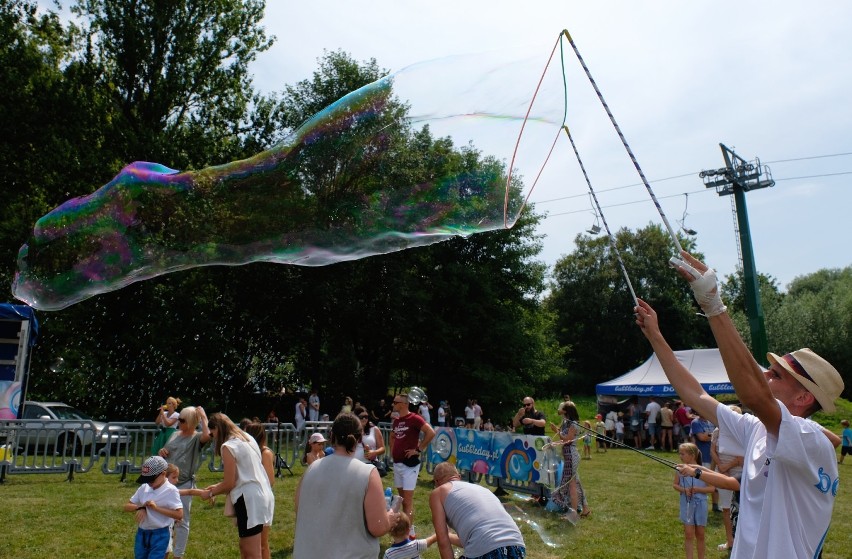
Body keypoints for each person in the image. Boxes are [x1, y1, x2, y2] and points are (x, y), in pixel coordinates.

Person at [636, 251, 845, 559]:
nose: (765, 376)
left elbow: (754, 395)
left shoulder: (810, 440)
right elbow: (696, 396)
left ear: (803, 398)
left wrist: (713, 305)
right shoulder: (759, 429)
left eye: (775, 375)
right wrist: (655, 336)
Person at [294, 412, 394, 559]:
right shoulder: (368, 473)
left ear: (332, 436)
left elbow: (299, 510)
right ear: (359, 438)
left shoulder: (311, 469)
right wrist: (389, 518)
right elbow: (378, 527)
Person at [203, 413, 274, 559]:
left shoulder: (228, 446)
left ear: (217, 428)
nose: (213, 436)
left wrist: (211, 493)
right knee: (247, 548)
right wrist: (217, 486)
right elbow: (244, 474)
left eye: (212, 432)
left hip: (249, 500)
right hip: (262, 494)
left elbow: (230, 483)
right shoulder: (248, 439)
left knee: (251, 552)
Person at [429, 462, 526, 559]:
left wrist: (446, 537)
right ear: (459, 476)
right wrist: (450, 537)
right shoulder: (482, 489)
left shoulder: (438, 492)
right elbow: (483, 538)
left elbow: (443, 541)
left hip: (486, 549)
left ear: (436, 482)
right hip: (516, 545)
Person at [157, 406, 212, 559]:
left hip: (184, 483)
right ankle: (164, 551)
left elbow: (208, 435)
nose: (178, 422)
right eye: (179, 418)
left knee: (181, 521)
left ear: (192, 422)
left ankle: (178, 555)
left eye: (182, 420)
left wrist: (203, 416)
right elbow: (165, 451)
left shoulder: (196, 438)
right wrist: (162, 451)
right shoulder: (174, 434)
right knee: (164, 519)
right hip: (166, 483)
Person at [391, 392, 436, 538]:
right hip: (397, 464)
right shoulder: (397, 421)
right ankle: (408, 530)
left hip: (409, 465)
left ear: (404, 404)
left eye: (395, 402)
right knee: (402, 499)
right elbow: (393, 436)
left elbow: (430, 432)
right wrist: (393, 450)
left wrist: (418, 449)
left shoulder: (414, 418)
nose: (393, 404)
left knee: (408, 501)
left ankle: (408, 534)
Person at [124, 456, 183, 559]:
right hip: (142, 533)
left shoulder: (171, 490)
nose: (148, 483)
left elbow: (179, 514)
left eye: (151, 480)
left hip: (160, 534)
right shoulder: (144, 487)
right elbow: (126, 506)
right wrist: (141, 507)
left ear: (163, 474)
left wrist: (156, 508)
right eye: (146, 479)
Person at [548, 401, 590, 520]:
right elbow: (563, 440)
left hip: (571, 455)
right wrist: (554, 443)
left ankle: (573, 513)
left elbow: (567, 440)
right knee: (576, 482)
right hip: (568, 454)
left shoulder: (573, 424)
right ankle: (585, 509)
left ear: (566, 411)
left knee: (571, 484)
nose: (560, 410)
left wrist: (556, 431)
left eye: (562, 409)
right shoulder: (567, 423)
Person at [710, 406, 744, 552]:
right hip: (722, 472)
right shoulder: (717, 431)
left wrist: (728, 465)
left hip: (739, 475)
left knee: (741, 510)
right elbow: (712, 450)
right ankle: (730, 541)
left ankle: (741, 543)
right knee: (725, 509)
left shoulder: (743, 433)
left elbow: (743, 457)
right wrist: (720, 466)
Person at [672, 443, 714, 559]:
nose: (680, 456)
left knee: (700, 534)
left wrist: (698, 489)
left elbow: (712, 488)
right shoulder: (680, 469)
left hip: (701, 505)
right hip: (687, 504)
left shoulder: (702, 470)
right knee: (688, 534)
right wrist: (684, 490)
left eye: (683, 454)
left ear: (692, 455)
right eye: (680, 453)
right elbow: (675, 485)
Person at [243, 422, 275, 559]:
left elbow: (270, 480)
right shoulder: (247, 452)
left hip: (261, 498)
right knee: (246, 544)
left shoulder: (265, 453)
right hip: (249, 498)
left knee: (262, 543)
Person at [382, 510, 458, 559]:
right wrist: (445, 532)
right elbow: (432, 539)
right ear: (409, 530)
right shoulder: (416, 545)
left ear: (389, 532)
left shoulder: (389, 554)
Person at [689, 411, 719, 512]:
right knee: (703, 481)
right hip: (703, 456)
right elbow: (702, 437)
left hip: (714, 456)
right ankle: (699, 503)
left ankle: (715, 505)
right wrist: (713, 435)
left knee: (715, 480)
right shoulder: (696, 422)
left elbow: (717, 435)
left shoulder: (711, 422)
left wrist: (709, 435)